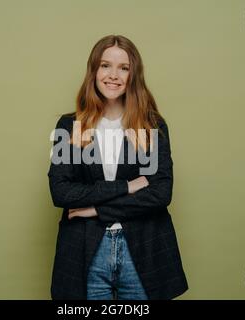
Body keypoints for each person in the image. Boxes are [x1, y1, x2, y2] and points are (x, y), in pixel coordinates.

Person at [48, 35, 188, 300]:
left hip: (143, 250)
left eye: (123, 68)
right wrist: (127, 185)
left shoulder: (152, 126)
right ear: (94, 71)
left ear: (133, 75)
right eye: (105, 65)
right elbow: (61, 192)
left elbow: (160, 193)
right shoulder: (68, 127)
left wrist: (96, 209)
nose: (113, 75)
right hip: (84, 251)